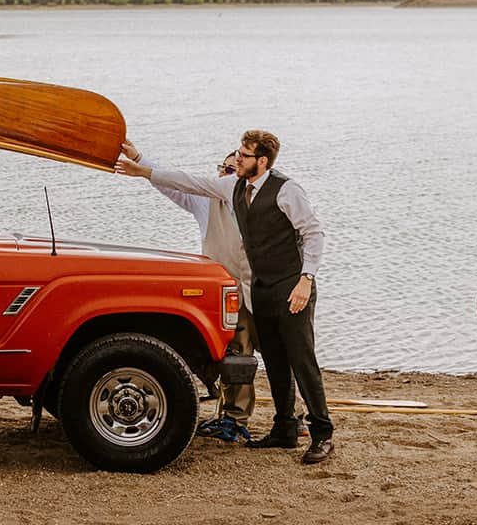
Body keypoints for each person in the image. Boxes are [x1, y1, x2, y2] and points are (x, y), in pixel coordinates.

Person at [118, 130, 334, 465]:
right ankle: (285, 429)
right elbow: (186, 182)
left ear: (261, 161)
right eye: (237, 153)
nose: (237, 160)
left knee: (301, 361)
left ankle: (322, 434)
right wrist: (143, 168)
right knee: (275, 362)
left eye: (244, 155)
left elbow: (313, 233)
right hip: (258, 288)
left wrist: (306, 279)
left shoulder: (287, 190)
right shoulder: (232, 187)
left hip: (291, 287)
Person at [120, 140, 257, 443]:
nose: (225, 173)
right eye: (223, 168)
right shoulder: (205, 201)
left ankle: (293, 418)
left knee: (280, 353)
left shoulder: (254, 200)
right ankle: (234, 419)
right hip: (226, 291)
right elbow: (174, 183)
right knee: (235, 354)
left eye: (232, 168)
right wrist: (141, 160)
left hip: (260, 287)